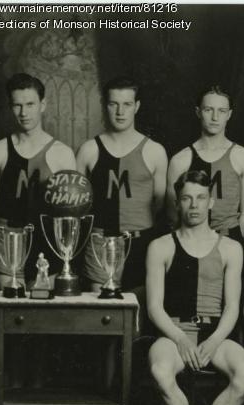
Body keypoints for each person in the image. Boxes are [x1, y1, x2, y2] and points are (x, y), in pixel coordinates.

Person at [147, 169, 244, 405]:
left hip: (214, 334)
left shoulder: (231, 248)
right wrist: (180, 338)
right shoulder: (161, 246)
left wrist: (215, 339)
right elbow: (154, 307)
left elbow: (233, 307)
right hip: (174, 332)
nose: (193, 205)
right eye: (186, 199)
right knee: (159, 370)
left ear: (211, 203)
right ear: (178, 204)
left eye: (200, 198)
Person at [76, 76, 168, 293]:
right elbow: (77, 204)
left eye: (127, 104)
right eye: (113, 104)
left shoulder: (155, 151)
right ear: (105, 106)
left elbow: (159, 204)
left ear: (136, 106)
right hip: (100, 242)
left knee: (140, 312)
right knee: (101, 315)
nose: (120, 111)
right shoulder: (89, 150)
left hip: (141, 244)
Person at [0, 72, 76, 286]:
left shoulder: (63, 153)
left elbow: (71, 211)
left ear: (43, 105)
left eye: (30, 104)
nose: (24, 112)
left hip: (48, 241)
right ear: (10, 107)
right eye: (17, 105)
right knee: (9, 309)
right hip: (9, 238)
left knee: (45, 310)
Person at [166, 86, 244, 243]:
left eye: (221, 111)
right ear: (198, 112)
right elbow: (173, 214)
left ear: (229, 114)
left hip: (228, 238)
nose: (215, 117)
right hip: (190, 239)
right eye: (208, 109)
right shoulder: (180, 160)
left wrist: (233, 242)